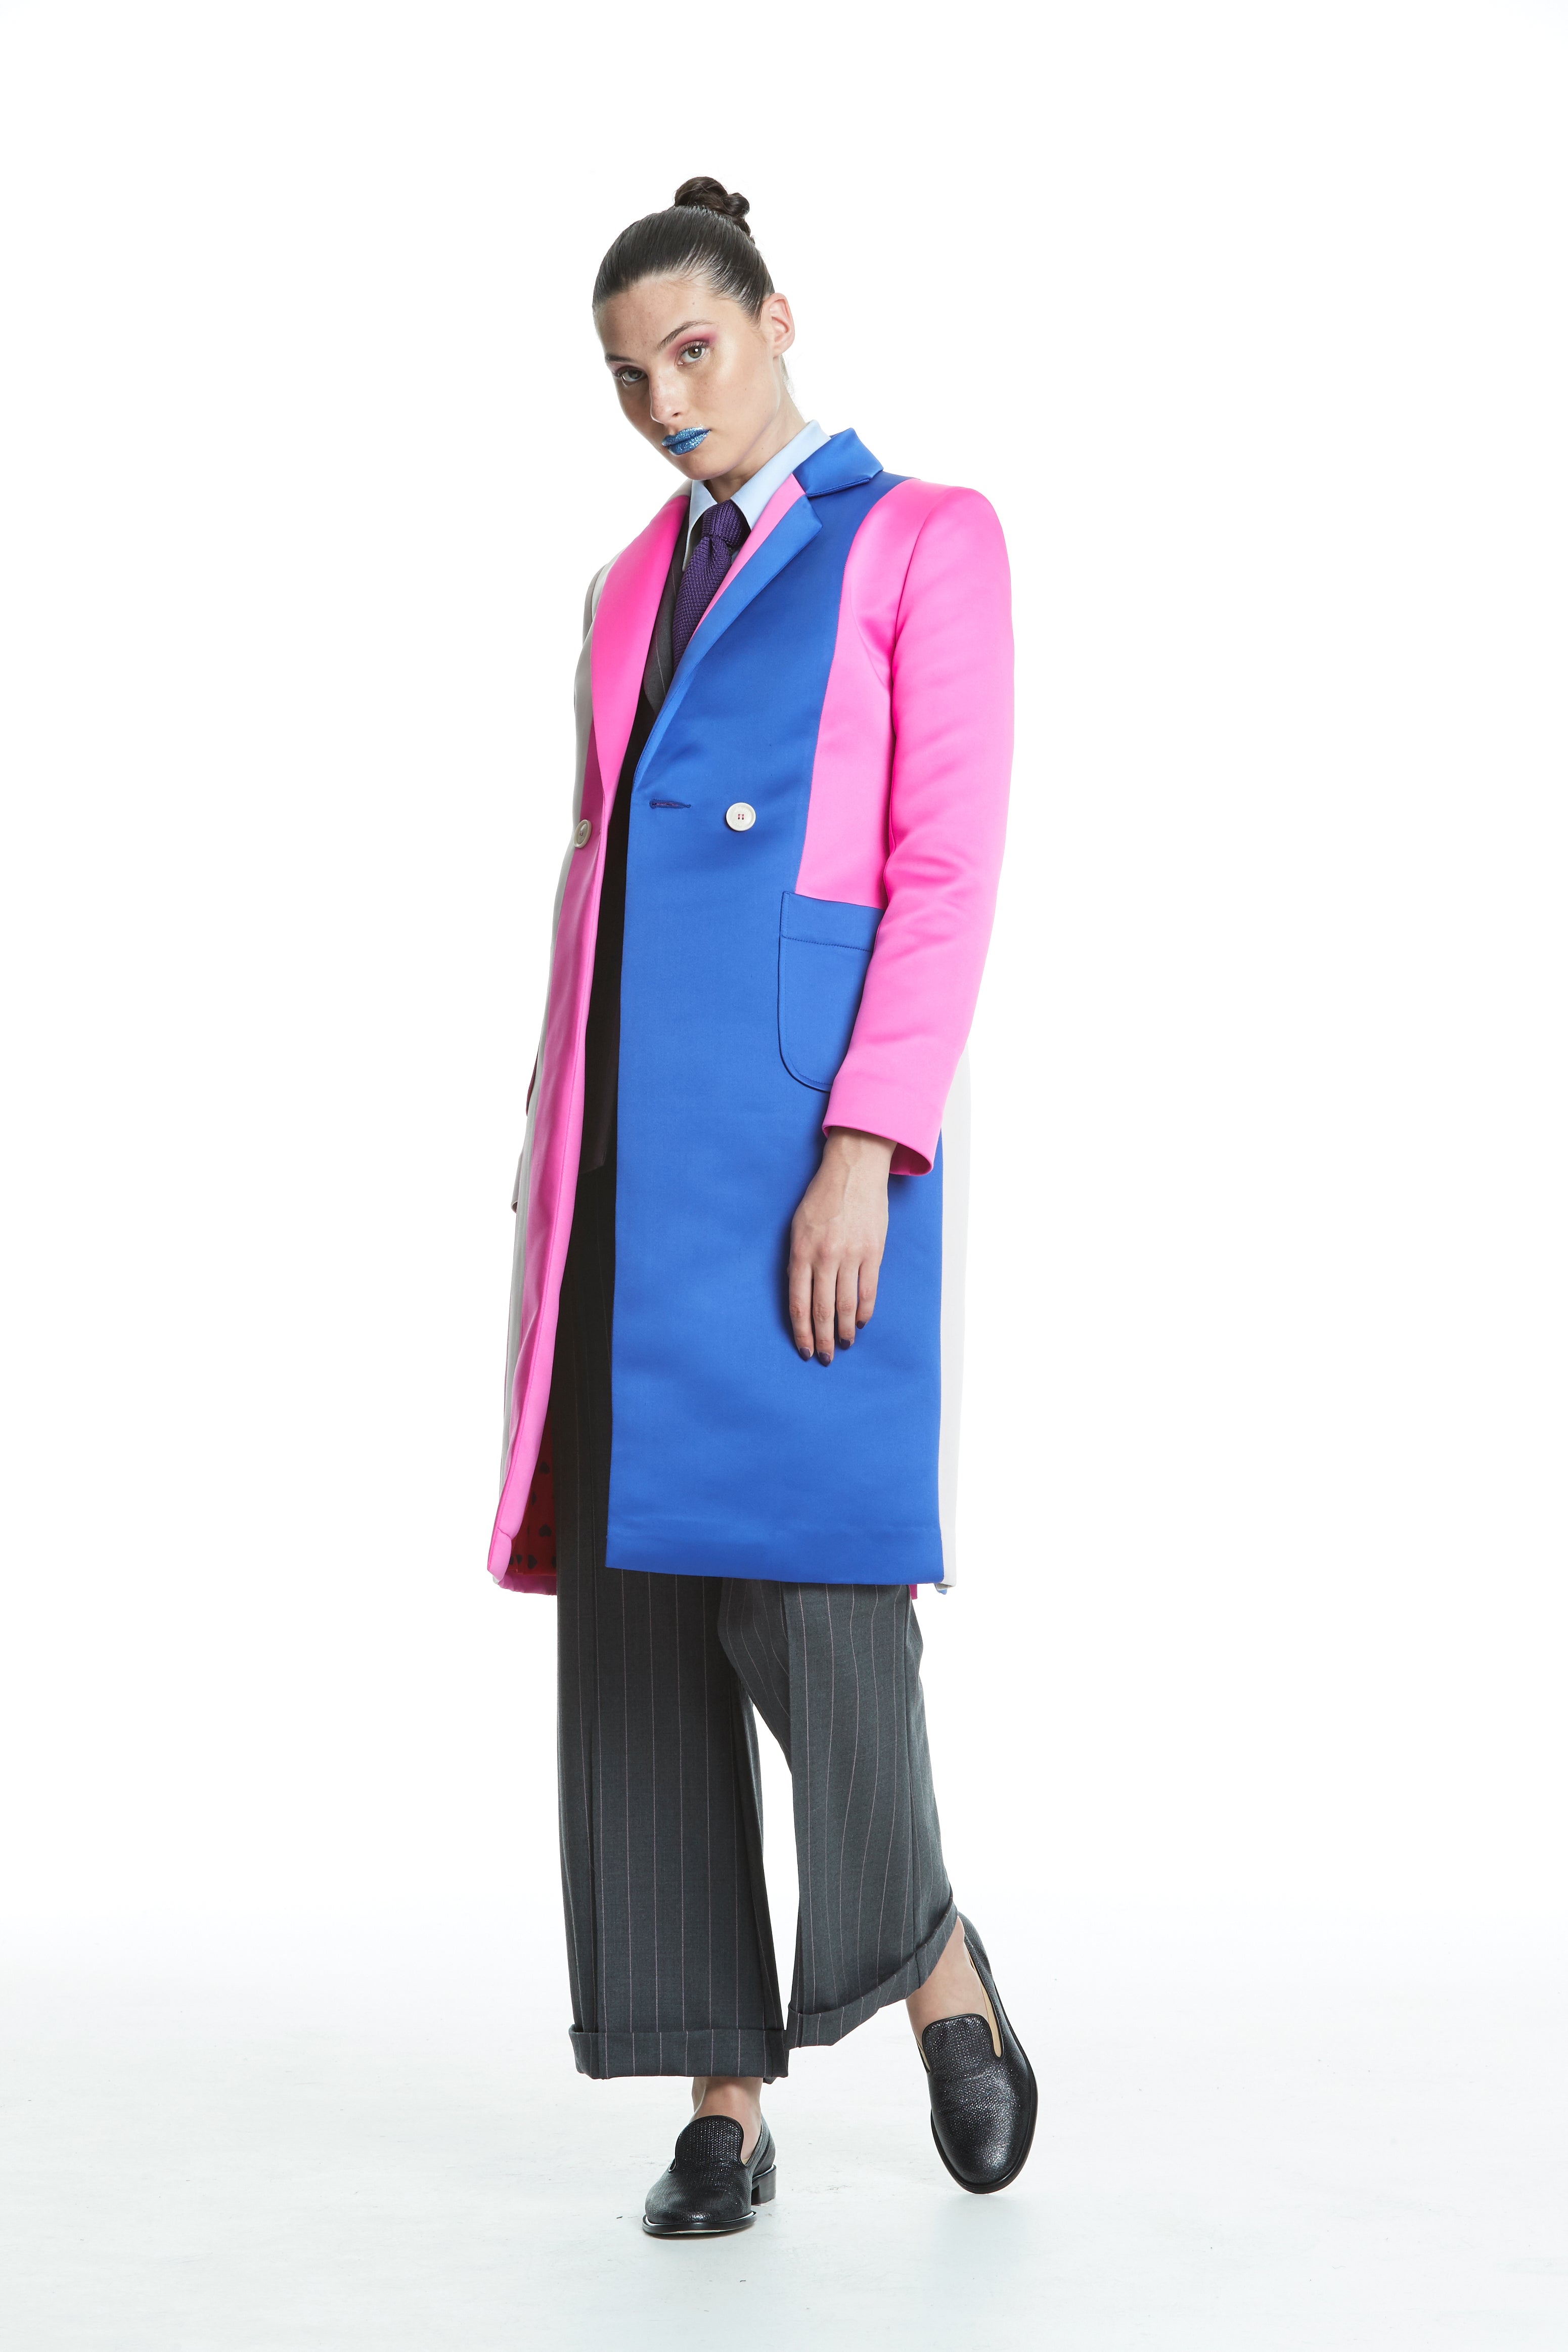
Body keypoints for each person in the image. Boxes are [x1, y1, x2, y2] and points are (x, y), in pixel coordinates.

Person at [487, 176, 1031, 2236]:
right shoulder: (626, 581)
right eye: (629, 375)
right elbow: (595, 868)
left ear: (776, 317)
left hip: (802, 1149)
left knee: (814, 1592)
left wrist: (867, 1147)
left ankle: (929, 1958)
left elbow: (942, 867)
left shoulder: (922, 537)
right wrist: (548, 1138)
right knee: (642, 1618)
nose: (664, 401)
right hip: (625, 1150)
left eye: (692, 350)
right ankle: (720, 2092)